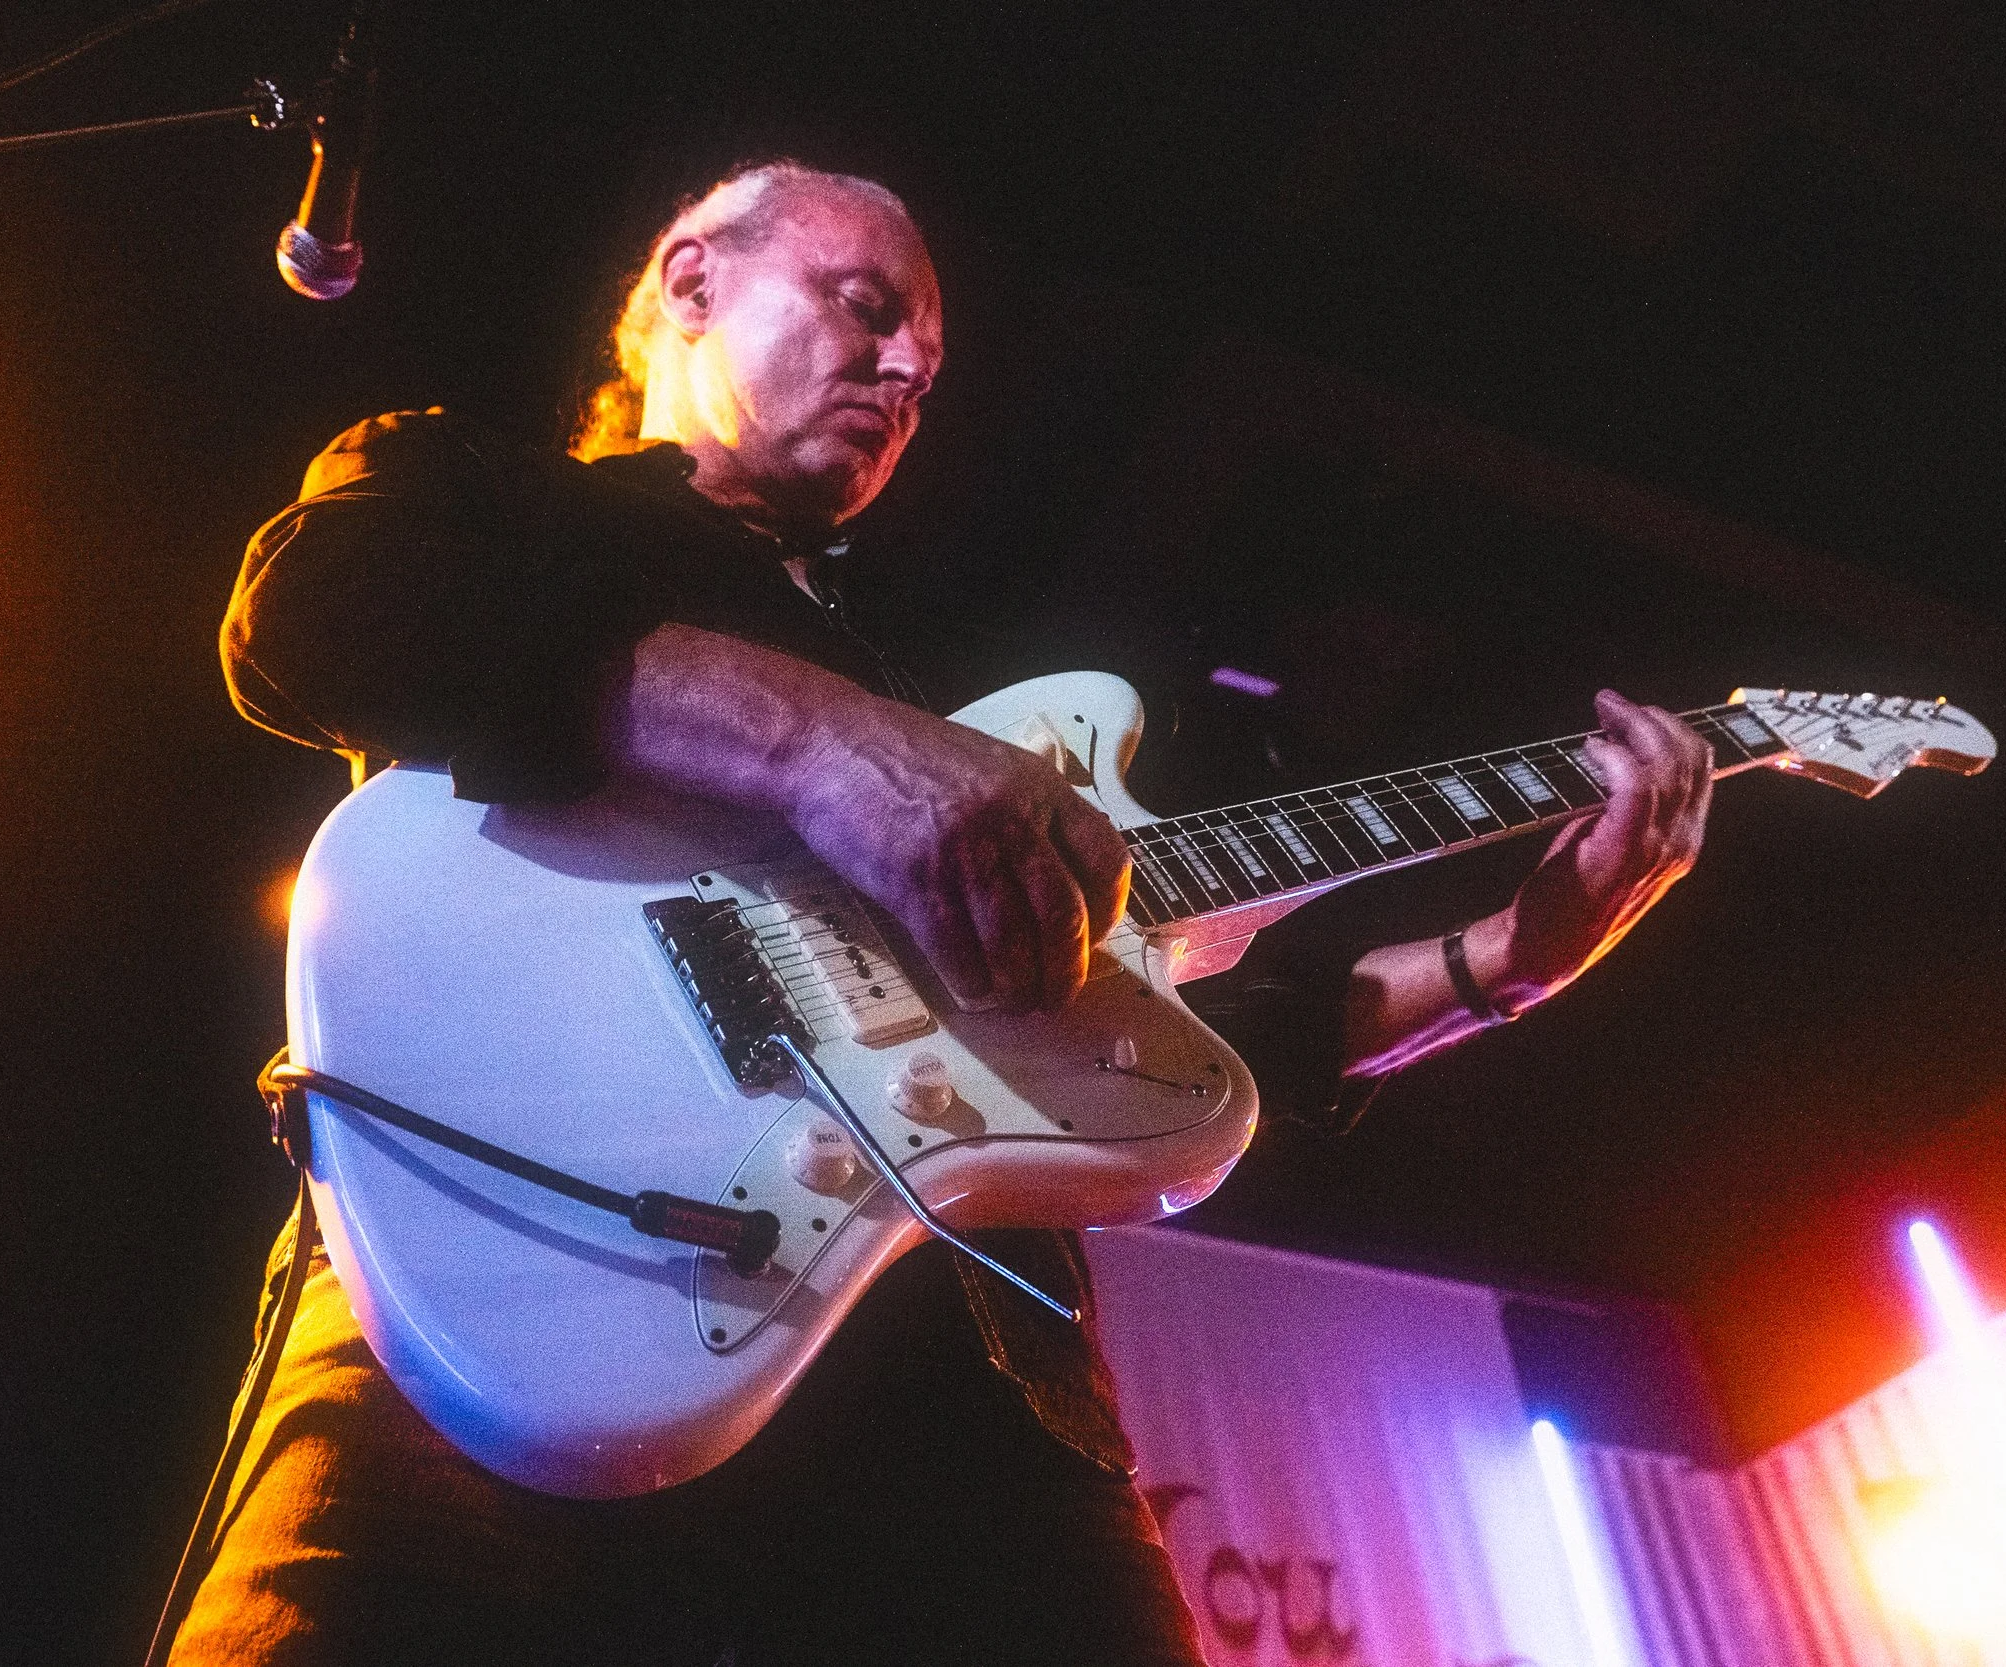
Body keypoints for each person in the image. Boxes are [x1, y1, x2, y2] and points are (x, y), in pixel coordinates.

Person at [167, 162, 1713, 1666]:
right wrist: (817, 744)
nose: (908, 364)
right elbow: (315, 610)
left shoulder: (954, 708)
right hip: (506, 1300)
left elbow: (1156, 1045)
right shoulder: (480, 493)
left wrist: (1510, 954)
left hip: (976, 1434)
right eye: (862, 303)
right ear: (692, 279)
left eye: (927, 361)